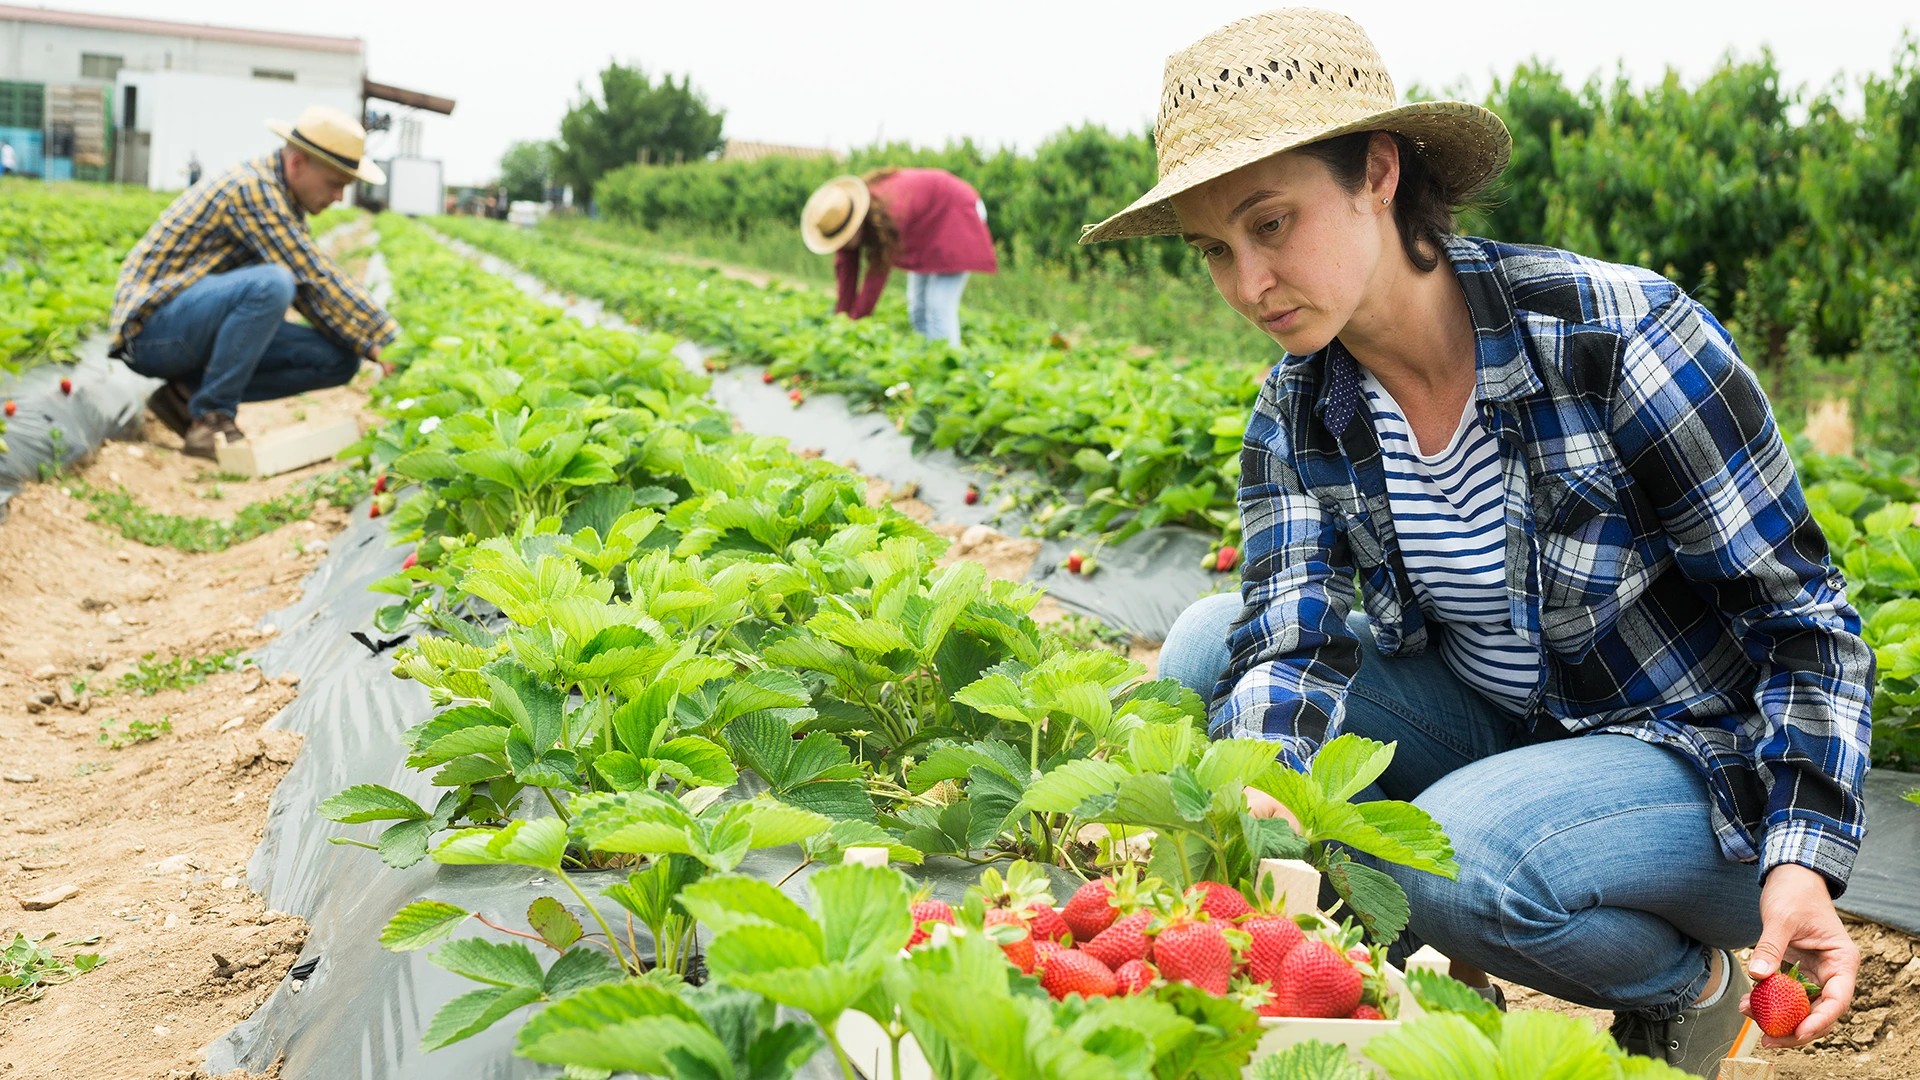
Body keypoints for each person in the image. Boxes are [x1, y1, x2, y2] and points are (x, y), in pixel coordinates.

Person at [1083, 10, 1868, 1077]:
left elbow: (1805, 623)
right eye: (1215, 249)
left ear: (1377, 171)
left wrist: (1805, 856)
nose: (1249, 284)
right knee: (1207, 647)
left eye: (1272, 225)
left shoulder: (1614, 335)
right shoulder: (1299, 411)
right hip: (1507, 731)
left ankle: (1691, 992)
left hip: (1710, 779)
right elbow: (1289, 638)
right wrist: (1262, 786)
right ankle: (1421, 1009)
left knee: (1451, 857)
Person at [109, 105, 398, 459]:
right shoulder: (252, 188)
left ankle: (184, 396)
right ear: (297, 164)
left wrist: (368, 345)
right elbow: (312, 275)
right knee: (272, 284)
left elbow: (311, 294)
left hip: (190, 328)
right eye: (335, 184)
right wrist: (386, 338)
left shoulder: (282, 199)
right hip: (152, 333)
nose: (339, 197)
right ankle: (212, 418)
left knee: (337, 359)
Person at [800, 168, 997, 346]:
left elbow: (875, 276)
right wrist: (841, 321)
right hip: (926, 226)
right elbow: (847, 274)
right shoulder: (844, 216)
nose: (841, 245)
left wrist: (856, 323)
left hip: (955, 210)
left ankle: (948, 368)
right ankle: (928, 358)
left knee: (938, 306)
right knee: (918, 309)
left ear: (855, 225)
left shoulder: (887, 212)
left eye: (843, 239)